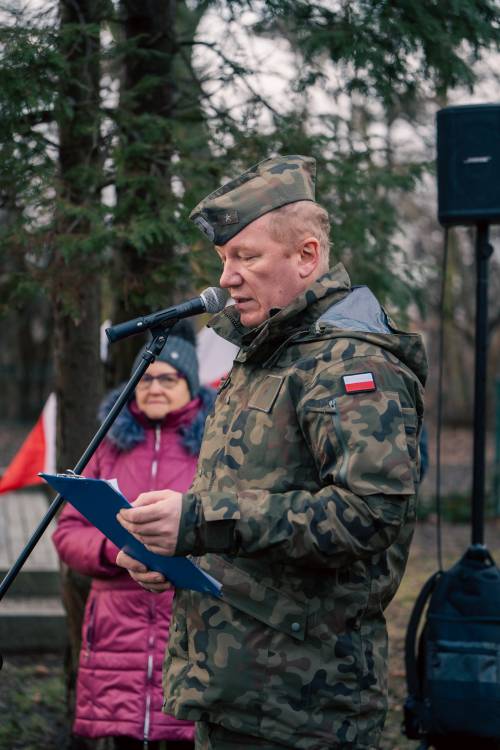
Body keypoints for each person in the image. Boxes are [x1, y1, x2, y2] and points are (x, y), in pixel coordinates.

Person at [115, 155, 427, 750]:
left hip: (303, 705)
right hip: (234, 688)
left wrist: (200, 521)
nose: (227, 277)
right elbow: (250, 509)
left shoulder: (351, 364)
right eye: (224, 260)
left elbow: (367, 516)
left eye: (247, 257)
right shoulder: (266, 354)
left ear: (306, 257)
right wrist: (174, 550)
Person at [53, 321, 215, 750]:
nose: (154, 387)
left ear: (191, 385)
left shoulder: (217, 447)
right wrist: (114, 551)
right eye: (145, 378)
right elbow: (68, 532)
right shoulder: (106, 446)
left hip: (190, 628)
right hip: (115, 635)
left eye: (168, 378)